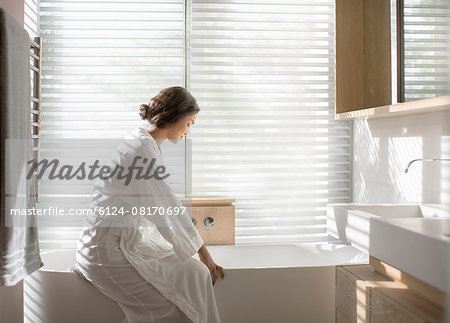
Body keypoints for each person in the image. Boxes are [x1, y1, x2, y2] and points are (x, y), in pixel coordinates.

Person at [76, 86, 225, 323]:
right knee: (163, 311)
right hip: (107, 250)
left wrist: (199, 255)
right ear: (176, 116)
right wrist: (203, 253)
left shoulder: (142, 142)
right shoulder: (141, 150)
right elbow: (167, 208)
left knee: (195, 273)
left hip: (119, 240)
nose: (188, 131)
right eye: (189, 124)